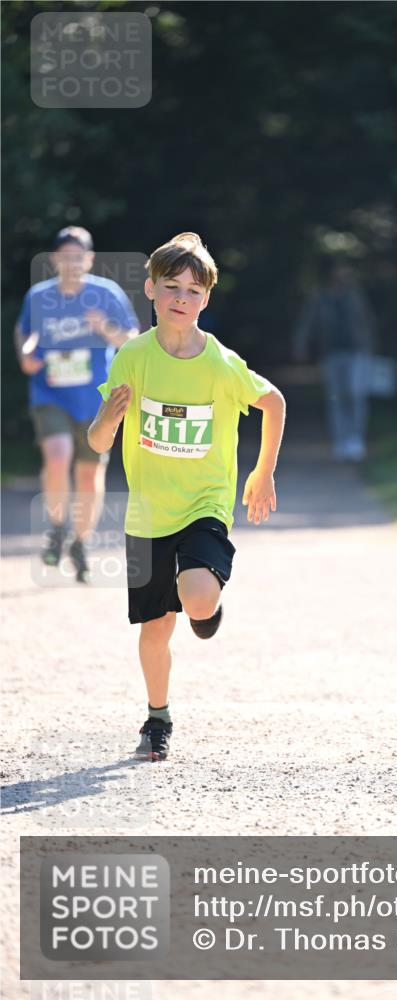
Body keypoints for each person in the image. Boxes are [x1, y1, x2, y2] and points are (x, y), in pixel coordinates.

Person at [88, 232, 286, 761]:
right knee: (156, 628)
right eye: (171, 286)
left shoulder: (220, 363)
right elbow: (99, 441)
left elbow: (274, 402)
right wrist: (106, 418)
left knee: (196, 595)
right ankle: (157, 719)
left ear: (206, 298)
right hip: (147, 512)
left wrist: (262, 472)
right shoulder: (133, 357)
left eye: (193, 290)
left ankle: (205, 605)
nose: (181, 298)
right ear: (150, 289)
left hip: (205, 501)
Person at [14, 226, 139, 582]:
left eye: (78, 256)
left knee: (89, 473)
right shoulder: (39, 296)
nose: (72, 263)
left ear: (90, 259)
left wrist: (105, 329)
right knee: (57, 455)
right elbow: (25, 332)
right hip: (50, 393)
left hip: (96, 398)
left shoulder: (106, 293)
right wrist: (26, 355)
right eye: (65, 256)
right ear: (55, 259)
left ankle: (81, 543)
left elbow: (132, 339)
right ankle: (57, 527)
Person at [293, 258, 376, 461]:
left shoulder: (354, 295)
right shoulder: (319, 296)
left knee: (356, 394)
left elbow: (367, 321)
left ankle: (355, 439)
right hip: (331, 353)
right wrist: (301, 345)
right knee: (336, 397)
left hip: (357, 351)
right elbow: (308, 322)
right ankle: (340, 441)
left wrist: (371, 348)